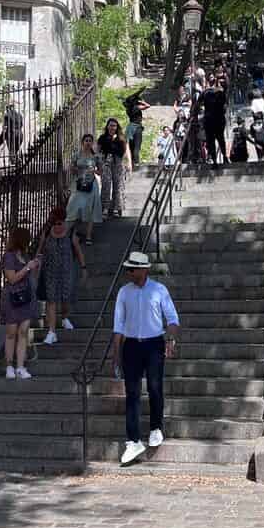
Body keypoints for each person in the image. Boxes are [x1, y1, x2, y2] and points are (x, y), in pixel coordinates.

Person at [111, 251, 180, 466]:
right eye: (128, 269)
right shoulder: (124, 292)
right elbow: (118, 324)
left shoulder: (159, 290)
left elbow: (172, 319)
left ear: (144, 269)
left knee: (155, 387)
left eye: (133, 269)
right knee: (131, 393)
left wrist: (170, 340)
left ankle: (156, 427)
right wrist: (116, 353)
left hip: (153, 343)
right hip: (131, 345)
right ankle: (132, 441)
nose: (129, 272)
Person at [38, 208, 86, 345]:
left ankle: (64, 317)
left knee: (65, 299)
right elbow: (40, 250)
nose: (57, 226)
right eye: (54, 223)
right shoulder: (47, 233)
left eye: (59, 223)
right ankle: (52, 332)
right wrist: (37, 263)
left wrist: (83, 267)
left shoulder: (71, 233)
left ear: (63, 221)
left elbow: (78, 250)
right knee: (51, 301)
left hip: (66, 272)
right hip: (50, 272)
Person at [1, 226, 40, 379]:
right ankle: (9, 365)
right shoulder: (9, 256)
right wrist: (27, 268)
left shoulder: (24, 255)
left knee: (23, 332)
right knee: (11, 332)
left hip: (26, 297)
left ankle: (20, 366)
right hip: (13, 297)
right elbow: (11, 279)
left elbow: (30, 275)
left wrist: (34, 266)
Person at [66, 133, 103, 244]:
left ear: (92, 143)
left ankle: (88, 236)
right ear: (82, 142)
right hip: (78, 184)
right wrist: (75, 169)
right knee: (73, 207)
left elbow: (100, 172)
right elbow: (71, 169)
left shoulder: (96, 156)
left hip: (91, 185)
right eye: (86, 140)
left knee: (89, 209)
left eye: (90, 141)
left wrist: (94, 171)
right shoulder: (76, 155)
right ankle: (71, 233)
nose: (88, 143)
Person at [98, 118, 132, 218]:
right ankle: (105, 208)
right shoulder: (103, 137)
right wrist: (98, 163)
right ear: (107, 126)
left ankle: (117, 208)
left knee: (118, 186)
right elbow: (97, 150)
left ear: (117, 127)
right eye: (110, 125)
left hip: (118, 162)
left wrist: (129, 162)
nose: (112, 127)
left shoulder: (122, 137)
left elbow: (127, 150)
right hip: (107, 162)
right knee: (106, 185)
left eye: (114, 125)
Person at [201, 74, 228, 167]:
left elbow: (197, 104)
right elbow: (224, 106)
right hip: (219, 119)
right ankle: (225, 157)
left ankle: (215, 161)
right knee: (221, 139)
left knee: (211, 141)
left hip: (209, 120)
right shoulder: (221, 93)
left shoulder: (205, 92)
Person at [123, 89, 151, 170]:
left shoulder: (128, 109)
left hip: (130, 127)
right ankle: (136, 164)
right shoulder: (136, 107)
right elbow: (148, 106)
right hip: (137, 127)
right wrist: (141, 101)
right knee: (137, 147)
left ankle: (131, 164)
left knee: (130, 147)